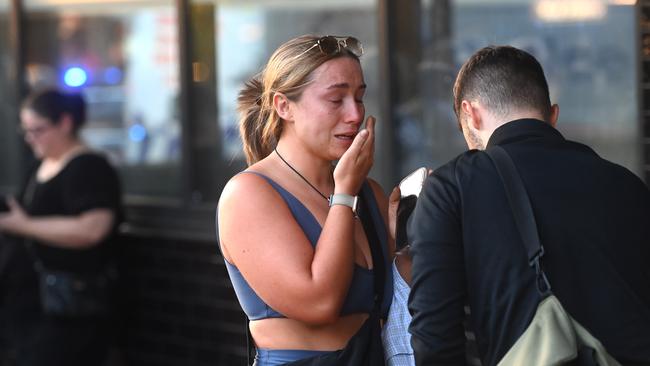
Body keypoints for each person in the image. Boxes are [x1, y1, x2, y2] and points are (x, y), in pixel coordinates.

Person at [407, 45, 650, 366]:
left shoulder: (453, 187)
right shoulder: (627, 184)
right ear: (552, 115)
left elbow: (435, 338)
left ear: (471, 113)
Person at [217, 34, 397, 365]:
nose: (355, 115)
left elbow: (396, 302)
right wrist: (343, 195)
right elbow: (319, 304)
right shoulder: (249, 193)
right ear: (283, 106)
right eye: (335, 100)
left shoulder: (369, 192)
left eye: (359, 98)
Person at [0, 88, 122, 366]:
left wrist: (23, 226)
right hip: (29, 307)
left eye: (38, 130)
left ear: (65, 123)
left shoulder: (89, 167)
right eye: (26, 131)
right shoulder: (40, 165)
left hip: (68, 312)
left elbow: (93, 228)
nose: (30, 139)